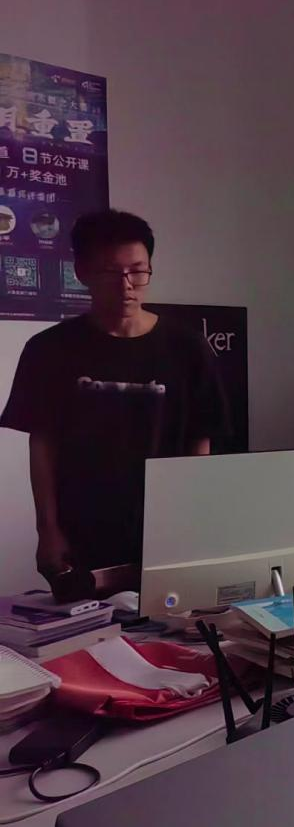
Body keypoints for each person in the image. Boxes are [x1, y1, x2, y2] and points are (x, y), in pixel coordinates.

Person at [1, 209, 228, 581]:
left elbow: (199, 442)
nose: (127, 286)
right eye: (111, 273)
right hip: (81, 533)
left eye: (138, 271)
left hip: (164, 530)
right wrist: (47, 529)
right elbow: (42, 444)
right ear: (82, 273)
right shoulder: (49, 350)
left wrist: (189, 522)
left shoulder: (187, 348)